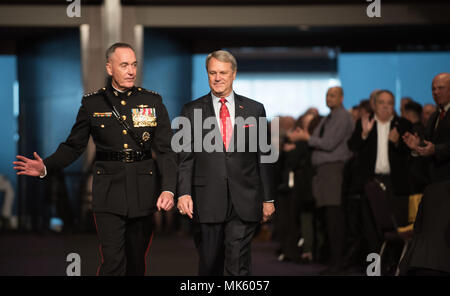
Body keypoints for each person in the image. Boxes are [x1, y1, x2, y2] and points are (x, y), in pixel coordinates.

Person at [13, 42, 177, 276]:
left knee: (136, 264)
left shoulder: (152, 102)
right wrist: (46, 166)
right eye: (124, 65)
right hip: (108, 193)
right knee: (112, 262)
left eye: (133, 65)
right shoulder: (92, 104)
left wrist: (169, 189)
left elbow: (167, 150)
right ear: (110, 68)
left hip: (143, 192)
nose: (131, 71)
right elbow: (74, 146)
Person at [176, 50, 275, 276]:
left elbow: (264, 156)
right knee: (209, 264)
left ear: (234, 74)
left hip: (245, 198)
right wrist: (183, 193)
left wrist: (268, 198)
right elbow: (184, 157)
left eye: (222, 72)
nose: (217, 77)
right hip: (207, 199)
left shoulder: (254, 109)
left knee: (237, 260)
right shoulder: (191, 110)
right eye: (212, 72)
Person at [288, 86, 354, 275]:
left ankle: (338, 262)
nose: (329, 98)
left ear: (341, 98)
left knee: (335, 218)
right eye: (327, 95)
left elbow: (328, 143)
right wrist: (310, 138)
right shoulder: (328, 118)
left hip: (334, 169)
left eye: (333, 95)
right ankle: (333, 260)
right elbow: (318, 139)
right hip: (324, 172)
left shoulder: (342, 117)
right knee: (328, 218)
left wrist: (306, 137)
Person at [347, 90, 412, 274]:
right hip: (370, 184)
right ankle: (374, 270)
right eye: (381, 102)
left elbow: (411, 156)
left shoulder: (403, 124)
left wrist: (398, 143)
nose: (385, 106)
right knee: (371, 232)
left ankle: (394, 267)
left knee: (396, 230)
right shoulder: (365, 123)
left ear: (393, 105)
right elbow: (352, 147)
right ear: (374, 104)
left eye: (389, 102)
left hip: (395, 185)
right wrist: (364, 134)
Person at [401, 73, 450, 275]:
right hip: (434, 184)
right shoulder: (433, 117)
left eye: (440, 88)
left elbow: (437, 147)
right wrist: (417, 146)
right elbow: (429, 145)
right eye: (433, 88)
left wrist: (435, 150)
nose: (435, 92)